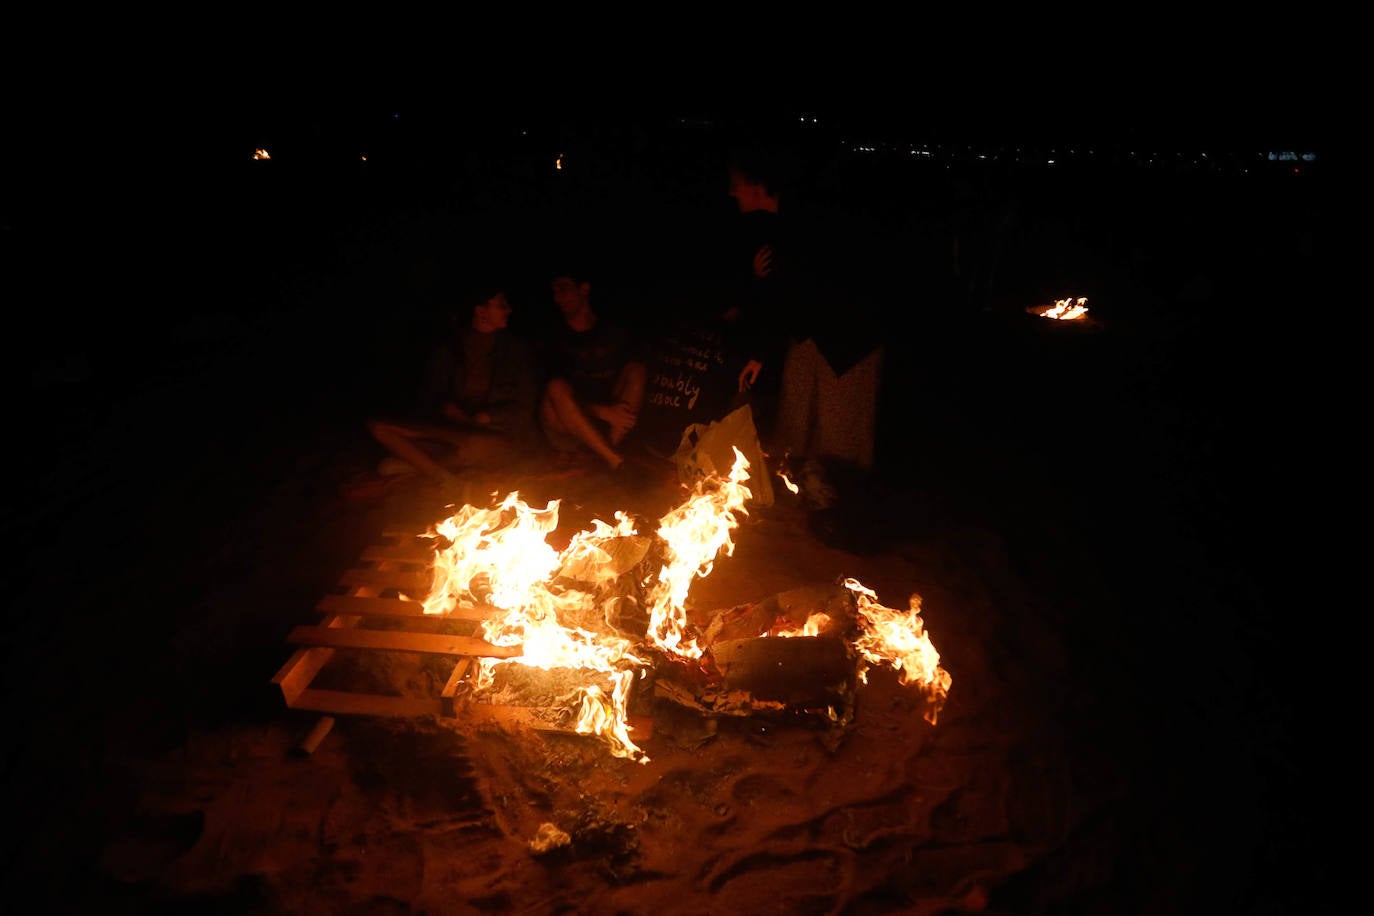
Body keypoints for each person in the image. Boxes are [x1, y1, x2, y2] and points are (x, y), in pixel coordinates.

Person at [722, 141, 889, 508]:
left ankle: (840, 502)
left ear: (757, 183)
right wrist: (761, 350)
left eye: (736, 183)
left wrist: (764, 343)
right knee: (798, 417)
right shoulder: (781, 223)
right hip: (813, 332)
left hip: (847, 337)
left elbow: (805, 291)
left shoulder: (811, 219)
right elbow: (787, 296)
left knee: (839, 427)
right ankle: (807, 489)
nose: (731, 192)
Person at [366, 281, 541, 493]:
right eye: (502, 305)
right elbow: (429, 398)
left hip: (495, 435)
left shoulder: (516, 350)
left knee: (475, 447)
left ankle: (425, 469)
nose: (509, 310)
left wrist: (487, 417)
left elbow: (525, 407)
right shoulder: (450, 349)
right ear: (481, 311)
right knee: (379, 427)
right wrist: (446, 409)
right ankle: (438, 473)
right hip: (454, 431)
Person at [537, 266, 649, 472]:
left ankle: (606, 451)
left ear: (584, 289)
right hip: (566, 424)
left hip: (606, 424)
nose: (558, 298)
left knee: (637, 371)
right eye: (555, 292)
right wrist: (604, 412)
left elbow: (631, 375)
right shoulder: (553, 336)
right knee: (555, 386)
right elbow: (554, 397)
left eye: (564, 289)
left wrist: (610, 413)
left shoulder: (612, 331)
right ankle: (614, 460)